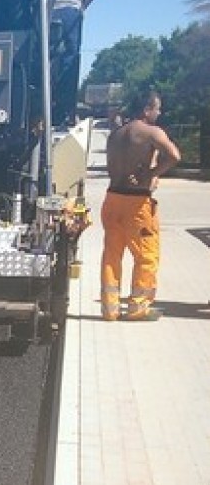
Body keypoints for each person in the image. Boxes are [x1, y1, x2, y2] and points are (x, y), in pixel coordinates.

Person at [100, 91, 181, 321]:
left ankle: (110, 308)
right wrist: (151, 173)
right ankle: (138, 308)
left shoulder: (115, 135)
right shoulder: (152, 132)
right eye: (157, 108)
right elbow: (174, 155)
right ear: (146, 109)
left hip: (112, 198)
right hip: (137, 204)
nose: (159, 112)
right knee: (146, 255)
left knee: (111, 255)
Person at [51, 0, 102, 125]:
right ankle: (66, 109)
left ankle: (43, 101)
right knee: (71, 59)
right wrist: (83, 5)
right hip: (72, 9)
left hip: (48, 9)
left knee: (45, 55)